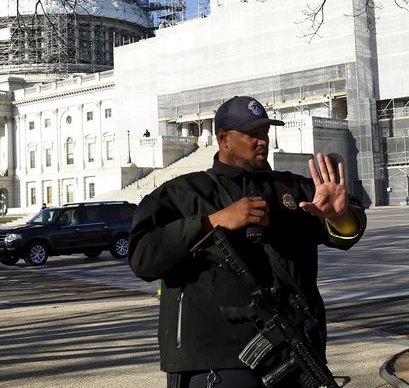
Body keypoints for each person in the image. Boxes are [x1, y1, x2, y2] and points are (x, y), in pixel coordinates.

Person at [129, 95, 366, 388]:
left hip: (295, 353)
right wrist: (213, 222)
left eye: (264, 133)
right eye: (251, 134)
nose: (261, 141)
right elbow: (143, 257)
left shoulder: (293, 190)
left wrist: (338, 217)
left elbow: (347, 233)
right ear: (223, 138)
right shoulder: (183, 194)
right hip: (215, 362)